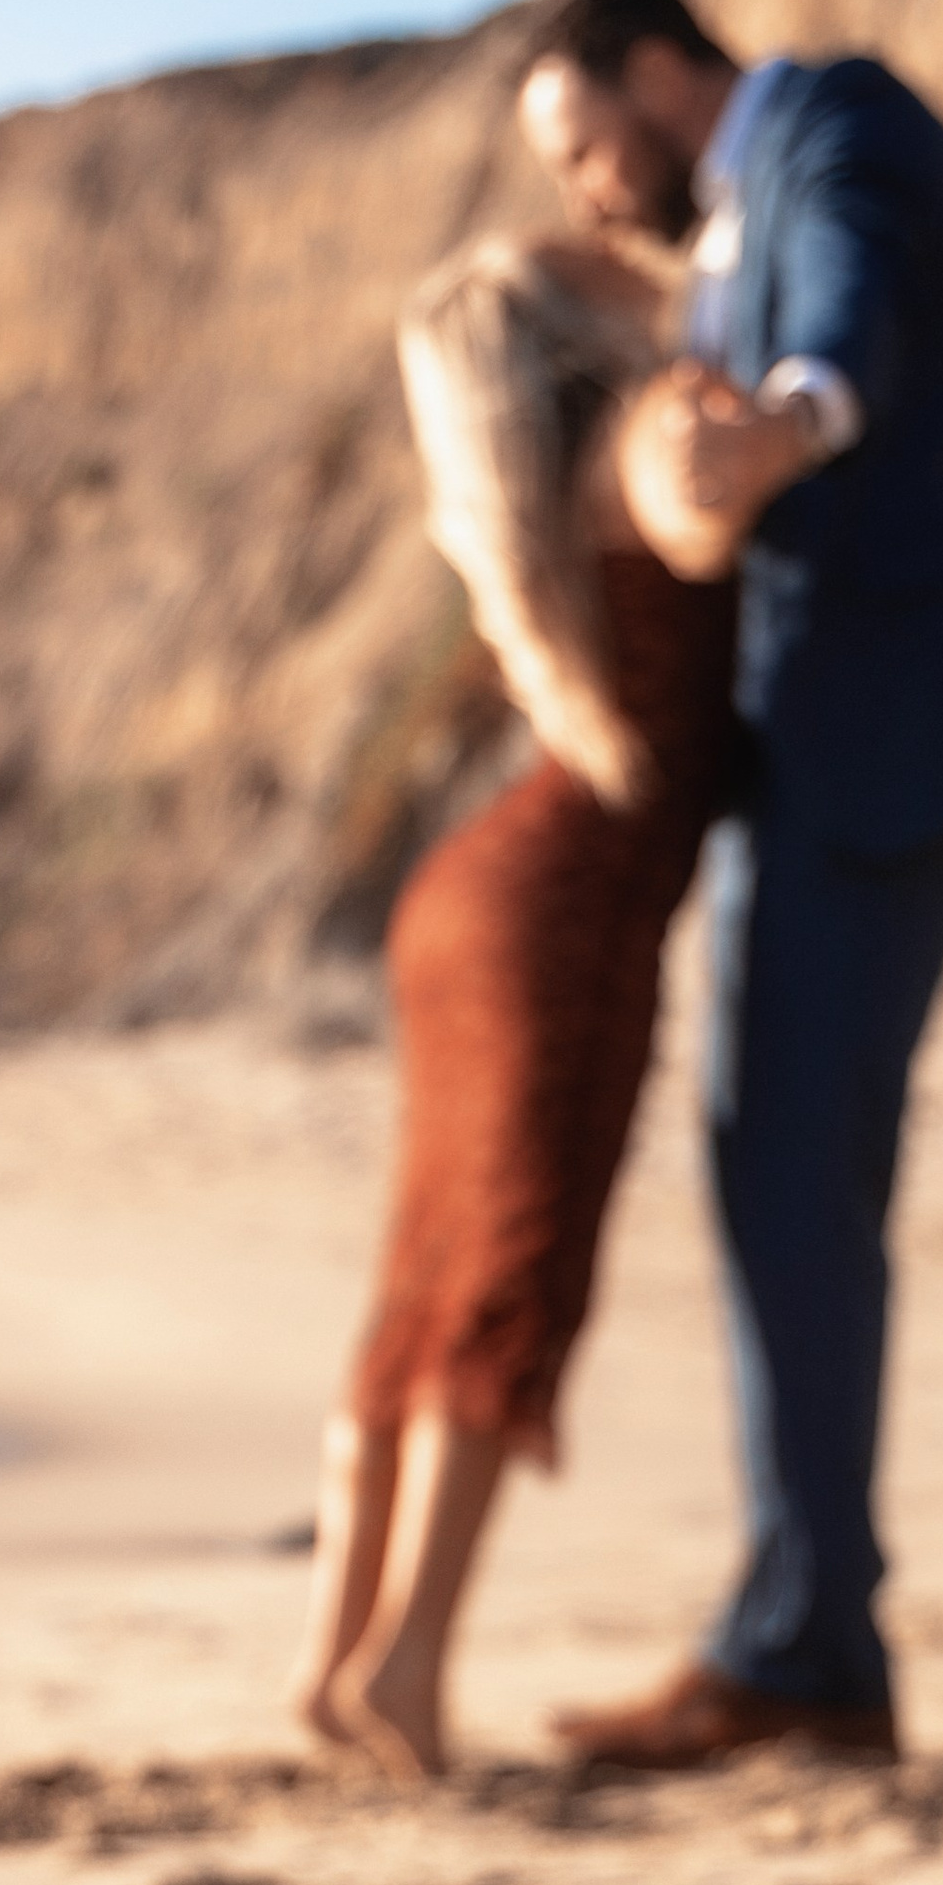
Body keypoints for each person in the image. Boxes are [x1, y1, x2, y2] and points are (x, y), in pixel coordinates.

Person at [517, 0, 943, 1771]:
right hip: (840, 749)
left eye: (592, 147)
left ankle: (806, 1650)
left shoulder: (844, 131)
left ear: (668, 78)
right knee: (793, 1177)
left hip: (883, 745)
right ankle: (805, 1625)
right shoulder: (751, 204)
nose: (594, 189)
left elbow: (841, 337)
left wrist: (782, 424)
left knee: (790, 1174)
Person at [288, 234, 745, 1780]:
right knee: (508, 1279)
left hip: (477, 895)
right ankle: (409, 1670)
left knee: (424, 1279)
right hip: (561, 910)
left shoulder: (537, 502)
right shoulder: (651, 440)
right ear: (575, 328)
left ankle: (340, 1660)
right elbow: (714, 506)